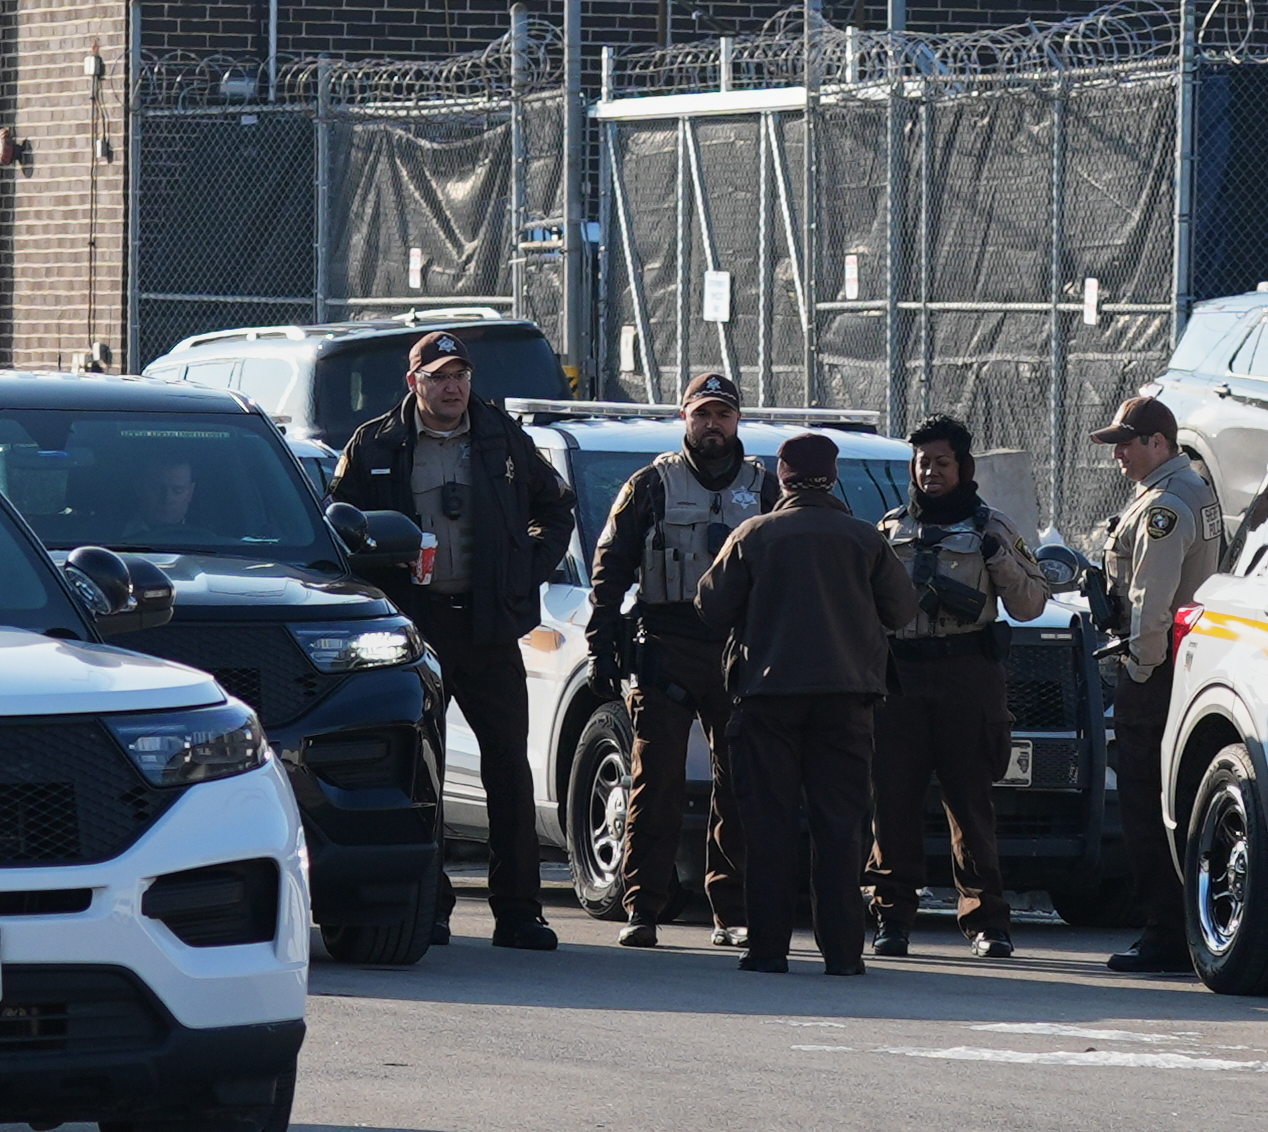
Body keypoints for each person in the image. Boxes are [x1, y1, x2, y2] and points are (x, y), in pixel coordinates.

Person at [330, 330, 576, 951]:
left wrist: (525, 566)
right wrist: (381, 582)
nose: (453, 386)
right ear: (415, 383)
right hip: (418, 630)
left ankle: (519, 913)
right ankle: (428, 906)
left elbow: (557, 507)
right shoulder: (376, 444)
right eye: (439, 375)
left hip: (490, 628)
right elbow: (340, 527)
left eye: (460, 374)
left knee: (509, 775)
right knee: (421, 774)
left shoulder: (501, 436)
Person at [694, 434, 917, 975]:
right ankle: (843, 954)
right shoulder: (865, 539)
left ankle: (768, 949)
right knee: (841, 826)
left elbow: (710, 605)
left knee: (768, 824)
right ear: (833, 476)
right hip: (846, 701)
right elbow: (902, 610)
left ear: (783, 477)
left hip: (768, 700)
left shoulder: (755, 534)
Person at [586, 372, 776, 950]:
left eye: (722, 414)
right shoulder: (650, 484)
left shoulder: (766, 489)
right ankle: (643, 907)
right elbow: (610, 568)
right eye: (702, 415)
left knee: (740, 782)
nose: (712, 425)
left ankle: (732, 911)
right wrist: (602, 644)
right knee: (656, 781)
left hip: (736, 649)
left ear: (737, 420)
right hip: (665, 645)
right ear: (685, 418)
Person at [864, 414, 1049, 960]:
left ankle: (987, 922)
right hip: (900, 678)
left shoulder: (994, 528)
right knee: (892, 802)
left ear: (963, 467)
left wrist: (1000, 562)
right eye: (922, 463)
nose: (931, 472)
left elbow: (1030, 604)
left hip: (967, 676)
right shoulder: (890, 529)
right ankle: (892, 918)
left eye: (942, 462)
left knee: (970, 804)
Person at [1089, 395, 1223, 973]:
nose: (1118, 453)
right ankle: (1183, 924)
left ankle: (1164, 930)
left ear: (1158, 444)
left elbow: (1150, 604)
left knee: (1146, 800)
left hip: (1158, 667)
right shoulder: (1191, 489)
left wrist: (1138, 672)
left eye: (1128, 441)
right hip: (1187, 664)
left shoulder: (1164, 506)